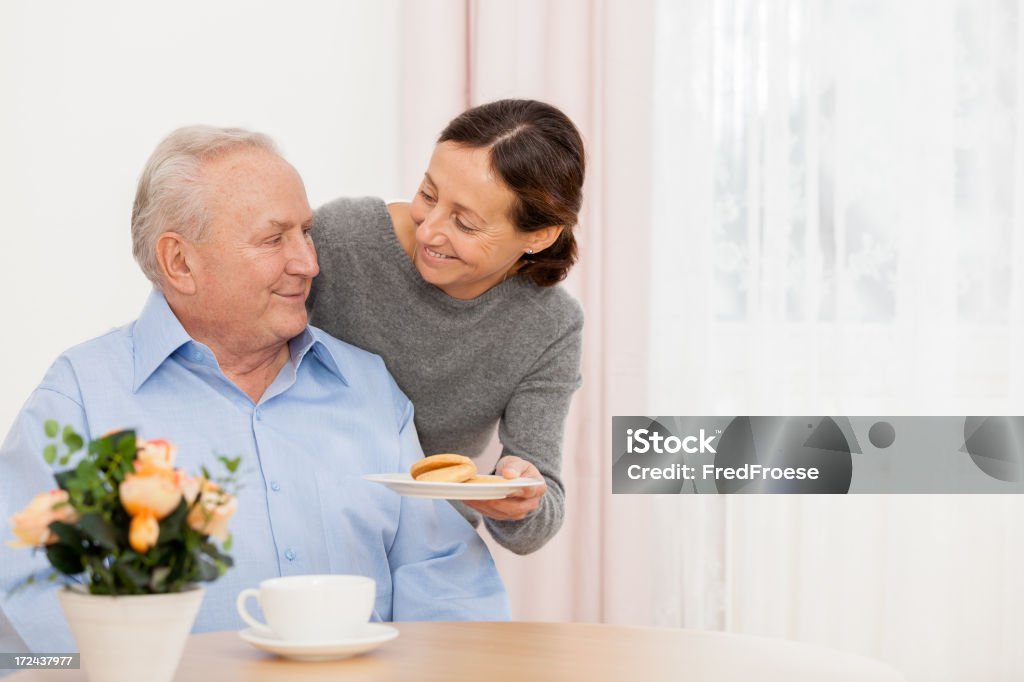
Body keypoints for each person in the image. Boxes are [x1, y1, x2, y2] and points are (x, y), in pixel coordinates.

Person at [0, 126, 509, 654]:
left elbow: (446, 582)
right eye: (273, 239)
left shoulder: (368, 386)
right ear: (179, 262)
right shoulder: (81, 399)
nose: (308, 262)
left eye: (306, 232)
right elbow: (29, 609)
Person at [309, 99, 585, 555]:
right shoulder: (341, 241)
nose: (429, 231)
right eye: (428, 195)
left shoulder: (549, 325)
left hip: (428, 543)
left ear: (539, 235)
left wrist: (518, 495)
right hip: (313, 522)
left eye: (464, 223)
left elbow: (541, 511)